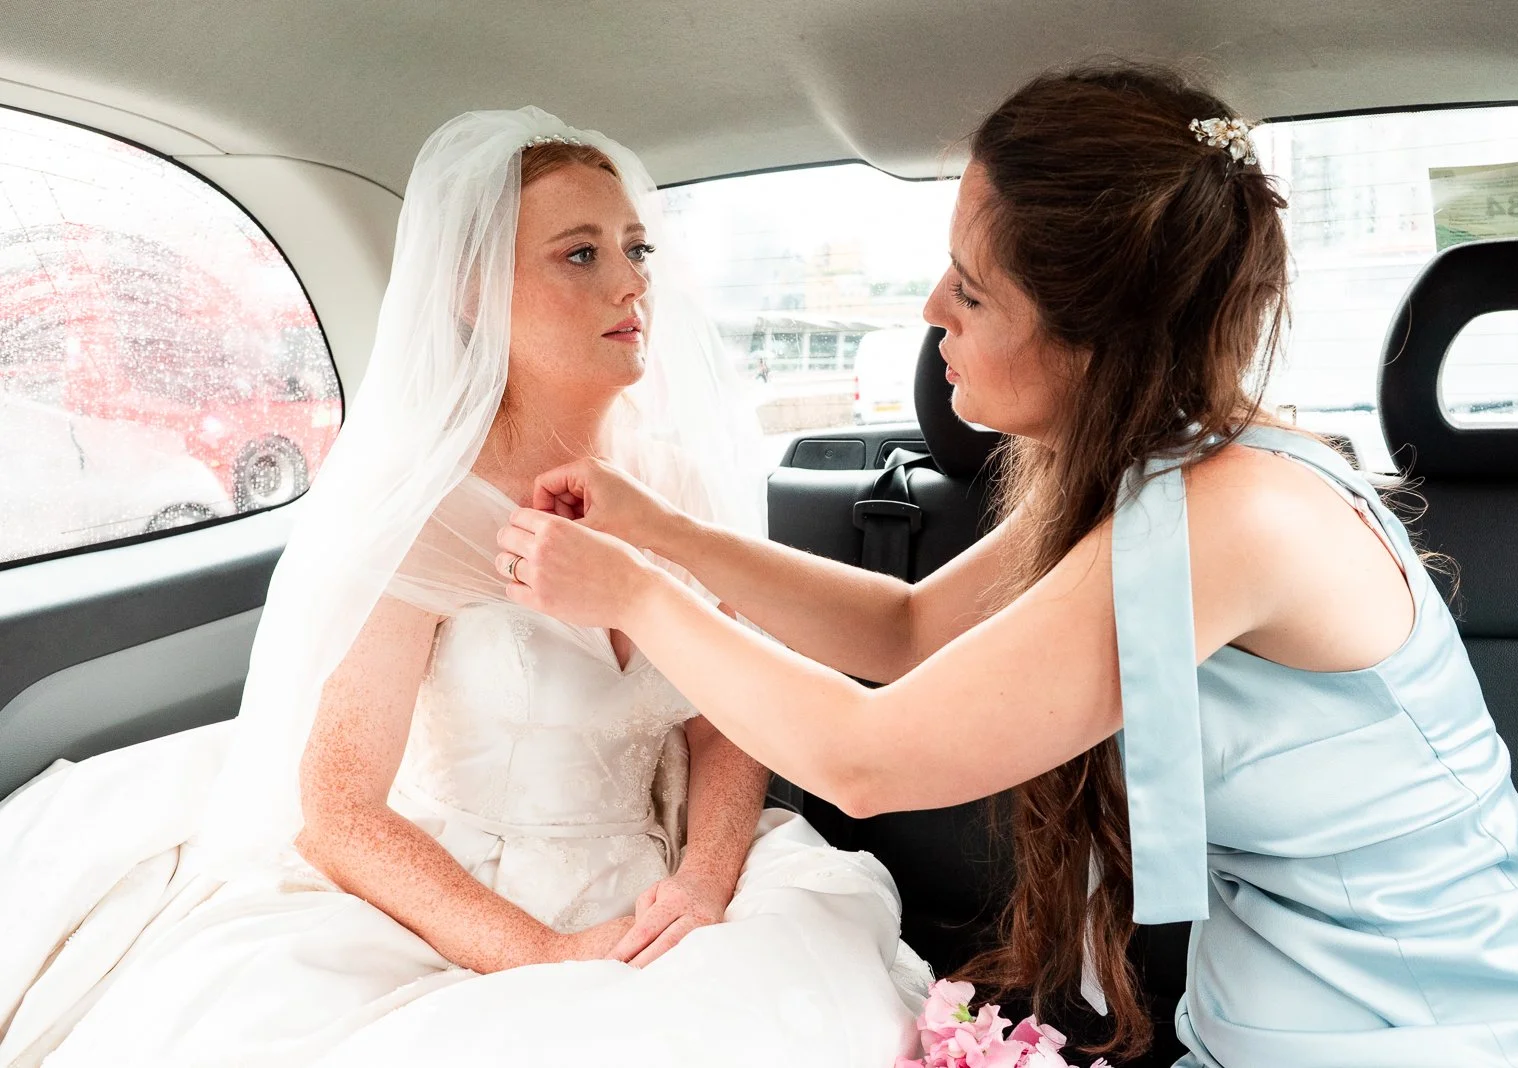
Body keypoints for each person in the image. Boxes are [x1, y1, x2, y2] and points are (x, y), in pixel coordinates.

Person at [498, 64, 1518, 1065]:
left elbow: (870, 760)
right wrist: (660, 530)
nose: (932, 311)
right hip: (1276, 1021)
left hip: (1435, 1028)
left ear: (1094, 342)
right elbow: (907, 630)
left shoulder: (1237, 517)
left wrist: (634, 593)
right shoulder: (1165, 471)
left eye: (971, 292)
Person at [0, 108, 925, 1067]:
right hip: (462, 905)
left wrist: (703, 880)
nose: (630, 282)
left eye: (636, 248)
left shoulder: (678, 490)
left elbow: (719, 720)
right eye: (579, 254)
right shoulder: (422, 512)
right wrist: (548, 958)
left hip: (664, 876)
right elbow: (342, 809)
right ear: (474, 293)